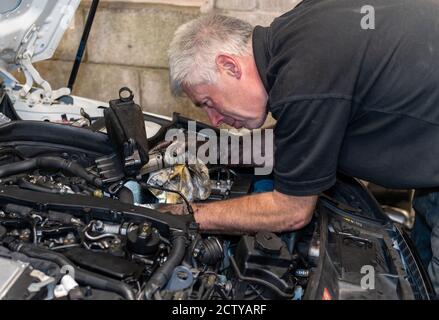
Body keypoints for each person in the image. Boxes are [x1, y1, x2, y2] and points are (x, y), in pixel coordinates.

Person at [166, 0, 439, 295]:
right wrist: (214, 150)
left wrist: (183, 215)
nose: (215, 120)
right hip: (430, 165)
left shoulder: (303, 79)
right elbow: (299, 134)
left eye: (208, 103)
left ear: (229, 66)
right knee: (417, 275)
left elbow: (292, 210)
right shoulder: (296, 32)